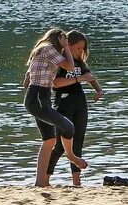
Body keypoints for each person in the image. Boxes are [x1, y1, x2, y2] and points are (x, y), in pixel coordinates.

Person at [24, 29, 92, 187]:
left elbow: (26, 81)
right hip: (39, 97)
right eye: (64, 40)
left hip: (40, 97)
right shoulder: (48, 48)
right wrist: (67, 47)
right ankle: (72, 156)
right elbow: (69, 66)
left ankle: (40, 183)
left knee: (49, 140)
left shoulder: (41, 51)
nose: (65, 43)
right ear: (59, 38)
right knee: (68, 127)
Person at [44, 30, 104, 187]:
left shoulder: (79, 63)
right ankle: (45, 179)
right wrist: (79, 78)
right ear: (67, 46)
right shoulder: (60, 62)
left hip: (80, 104)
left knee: (78, 144)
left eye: (82, 49)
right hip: (63, 104)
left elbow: (89, 76)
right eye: (77, 48)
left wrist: (98, 89)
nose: (80, 52)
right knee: (59, 146)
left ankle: (77, 182)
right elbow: (55, 83)